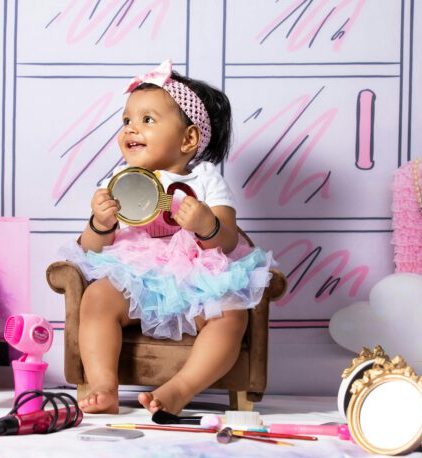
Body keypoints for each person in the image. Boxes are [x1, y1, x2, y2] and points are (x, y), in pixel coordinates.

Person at [63, 60, 273, 415]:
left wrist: (206, 222)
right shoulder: (120, 179)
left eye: (147, 120)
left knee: (231, 316)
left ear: (188, 138)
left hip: (197, 274)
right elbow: (90, 251)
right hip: (136, 273)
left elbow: (227, 239)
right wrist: (100, 223)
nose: (131, 129)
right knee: (97, 298)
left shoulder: (205, 180)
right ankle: (103, 384)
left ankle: (180, 388)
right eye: (127, 121)